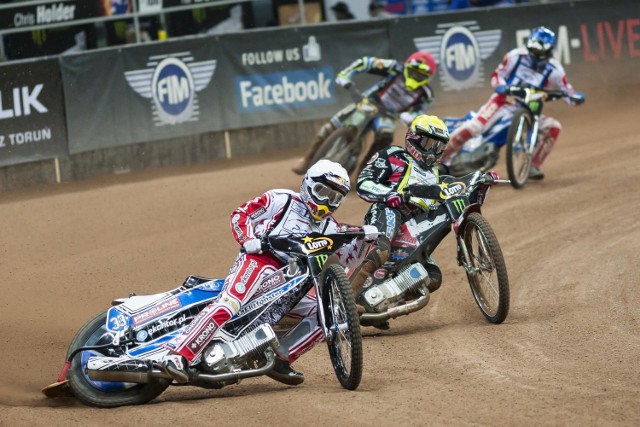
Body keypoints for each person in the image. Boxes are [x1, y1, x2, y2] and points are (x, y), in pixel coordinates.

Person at [157, 160, 385, 384]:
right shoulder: (282, 199)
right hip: (260, 261)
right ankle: (178, 355)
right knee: (230, 304)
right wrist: (249, 240)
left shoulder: (331, 227)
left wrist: (367, 240)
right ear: (307, 184)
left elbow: (351, 259)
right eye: (322, 191)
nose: (326, 201)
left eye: (335, 197)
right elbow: (241, 214)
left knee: (329, 309)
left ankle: (281, 357)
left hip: (295, 280)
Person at [441, 26, 585, 180]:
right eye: (532, 50)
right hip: (502, 101)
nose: (533, 55)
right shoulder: (515, 56)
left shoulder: (555, 70)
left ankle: (533, 166)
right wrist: (501, 86)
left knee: (554, 127)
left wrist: (575, 97)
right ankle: (439, 159)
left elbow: (567, 91)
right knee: (474, 127)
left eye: (538, 52)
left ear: (548, 52)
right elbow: (497, 75)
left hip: (530, 109)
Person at [354, 114, 449, 327]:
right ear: (413, 139)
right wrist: (388, 193)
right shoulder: (393, 155)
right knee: (381, 249)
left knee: (432, 277)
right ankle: (348, 300)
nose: (433, 151)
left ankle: (379, 306)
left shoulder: (437, 173)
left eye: (438, 147)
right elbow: (363, 181)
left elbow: (451, 190)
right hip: (388, 211)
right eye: (428, 143)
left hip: (415, 228)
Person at [292, 52, 437, 175]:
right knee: (330, 127)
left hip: (389, 115)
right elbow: (366, 62)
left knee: (385, 135)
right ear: (407, 66)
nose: (415, 77)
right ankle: (307, 161)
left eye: (420, 76)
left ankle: (366, 171)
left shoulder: (427, 93)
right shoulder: (395, 67)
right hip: (369, 102)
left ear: (428, 78)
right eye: (412, 72)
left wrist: (412, 117)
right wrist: (346, 74)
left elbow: (420, 111)